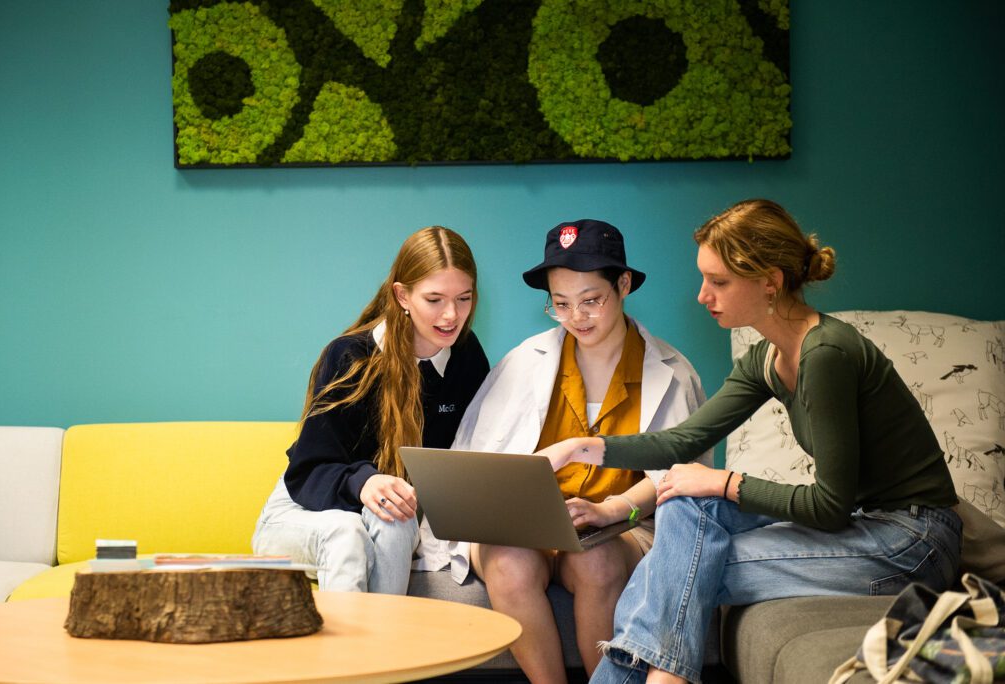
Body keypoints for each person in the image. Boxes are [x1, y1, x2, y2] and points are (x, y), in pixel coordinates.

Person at [541, 200, 963, 684]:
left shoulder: (825, 354)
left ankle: (665, 680)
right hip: (864, 523)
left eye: (718, 282)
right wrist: (580, 446)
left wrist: (724, 481)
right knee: (681, 502)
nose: (702, 296)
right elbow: (685, 440)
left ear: (770, 281)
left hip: (911, 543)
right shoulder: (768, 355)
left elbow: (829, 505)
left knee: (678, 567)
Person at [440, 219, 708, 682]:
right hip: (528, 526)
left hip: (624, 526)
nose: (577, 318)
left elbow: (680, 477)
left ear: (623, 285)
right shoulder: (524, 361)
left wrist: (612, 511)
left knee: (596, 558)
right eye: (560, 305)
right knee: (508, 561)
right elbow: (478, 455)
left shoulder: (671, 371)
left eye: (591, 301)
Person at [252, 226, 489, 594]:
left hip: (384, 515)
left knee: (396, 517)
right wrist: (363, 481)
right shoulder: (349, 356)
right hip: (302, 513)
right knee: (347, 533)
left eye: (464, 298)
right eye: (434, 299)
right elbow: (310, 469)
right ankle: (355, 653)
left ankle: (384, 650)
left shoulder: (467, 358)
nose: (450, 315)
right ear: (402, 296)